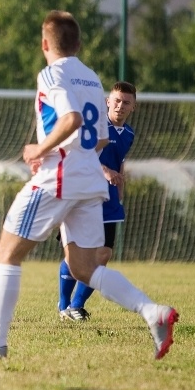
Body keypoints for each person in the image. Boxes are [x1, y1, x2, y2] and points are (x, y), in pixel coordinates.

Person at [0, 11, 178, 362]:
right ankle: (153, 312)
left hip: (58, 178)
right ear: (79, 44)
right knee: (85, 268)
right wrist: (67, 151)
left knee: (8, 252)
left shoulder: (51, 74)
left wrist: (39, 149)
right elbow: (100, 138)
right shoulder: (92, 78)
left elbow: (70, 119)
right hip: (89, 180)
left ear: (45, 44)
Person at [59, 81, 137, 321]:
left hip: (109, 200)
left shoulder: (129, 134)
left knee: (102, 255)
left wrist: (120, 187)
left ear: (133, 107)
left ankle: (76, 306)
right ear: (107, 102)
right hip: (84, 196)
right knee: (75, 255)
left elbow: (119, 161)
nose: (120, 106)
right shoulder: (97, 128)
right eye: (117, 101)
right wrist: (105, 171)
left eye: (126, 102)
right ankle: (63, 305)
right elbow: (82, 155)